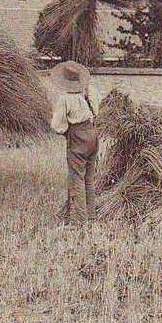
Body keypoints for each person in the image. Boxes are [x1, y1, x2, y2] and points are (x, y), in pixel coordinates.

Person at [50, 61, 99, 225]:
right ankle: (91, 216)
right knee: (89, 179)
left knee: (76, 179)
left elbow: (57, 126)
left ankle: (79, 221)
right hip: (93, 135)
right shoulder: (88, 93)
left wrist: (67, 133)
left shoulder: (65, 99)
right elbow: (97, 112)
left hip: (78, 138)